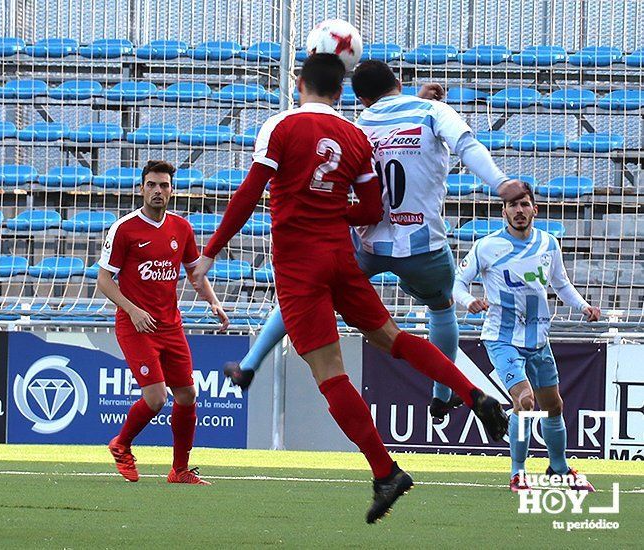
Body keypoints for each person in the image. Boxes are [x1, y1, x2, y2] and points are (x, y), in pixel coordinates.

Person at [191, 54, 508, 523]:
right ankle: (473, 394)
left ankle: (386, 472)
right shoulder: (353, 135)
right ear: (340, 93)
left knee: (330, 373)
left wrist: (211, 251)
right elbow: (370, 209)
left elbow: (248, 193)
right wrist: (331, 210)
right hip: (342, 259)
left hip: (300, 266)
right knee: (396, 340)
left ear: (299, 83)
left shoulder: (280, 127)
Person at [222, 60, 526, 422]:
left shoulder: (357, 127)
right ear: (397, 81)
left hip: (366, 244)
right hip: (422, 247)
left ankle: (250, 362)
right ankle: (442, 394)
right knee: (441, 308)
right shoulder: (432, 111)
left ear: (361, 98)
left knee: (301, 294)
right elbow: (466, 144)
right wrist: (500, 183)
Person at [453, 182, 599, 492]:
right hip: (502, 338)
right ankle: (518, 472)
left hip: (538, 340)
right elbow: (457, 284)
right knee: (525, 401)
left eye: (524, 205)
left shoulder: (549, 244)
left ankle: (557, 468)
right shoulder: (487, 246)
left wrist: (583, 305)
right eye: (513, 206)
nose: (519, 211)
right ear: (503, 211)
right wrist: (470, 303)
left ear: (535, 209)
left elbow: (561, 285)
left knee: (554, 406)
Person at [98, 160, 229, 486]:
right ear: (141, 188)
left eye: (164, 185)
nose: (158, 191)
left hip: (170, 326)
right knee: (156, 398)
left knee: (186, 395)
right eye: (152, 185)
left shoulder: (181, 228)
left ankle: (180, 470)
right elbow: (104, 280)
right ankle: (121, 444)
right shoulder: (124, 229)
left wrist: (213, 300)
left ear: (172, 190)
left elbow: (194, 272)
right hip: (135, 325)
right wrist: (133, 310)